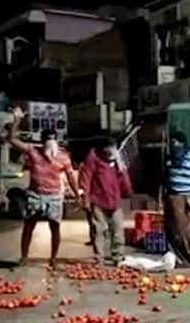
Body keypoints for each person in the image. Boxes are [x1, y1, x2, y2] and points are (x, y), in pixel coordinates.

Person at [10, 107, 80, 269]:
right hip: (35, 195)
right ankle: (24, 257)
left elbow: (71, 177)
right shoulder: (33, 152)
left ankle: (53, 259)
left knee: (55, 228)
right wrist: (17, 120)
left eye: (53, 140)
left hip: (55, 196)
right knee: (29, 226)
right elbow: (12, 140)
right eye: (48, 140)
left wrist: (77, 195)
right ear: (42, 142)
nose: (51, 143)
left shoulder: (63, 157)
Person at [79, 138, 132, 266]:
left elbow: (125, 183)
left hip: (115, 201)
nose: (112, 151)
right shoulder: (93, 160)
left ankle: (118, 256)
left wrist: (122, 169)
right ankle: (99, 257)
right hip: (98, 200)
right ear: (103, 149)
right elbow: (85, 180)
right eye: (109, 148)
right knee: (99, 230)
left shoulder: (118, 162)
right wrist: (85, 200)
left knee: (118, 229)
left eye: (113, 148)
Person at [164, 131, 190, 268]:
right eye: (172, 143)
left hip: (188, 195)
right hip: (173, 196)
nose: (174, 145)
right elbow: (165, 178)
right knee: (175, 229)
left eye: (175, 142)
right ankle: (182, 258)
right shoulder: (169, 158)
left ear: (182, 143)